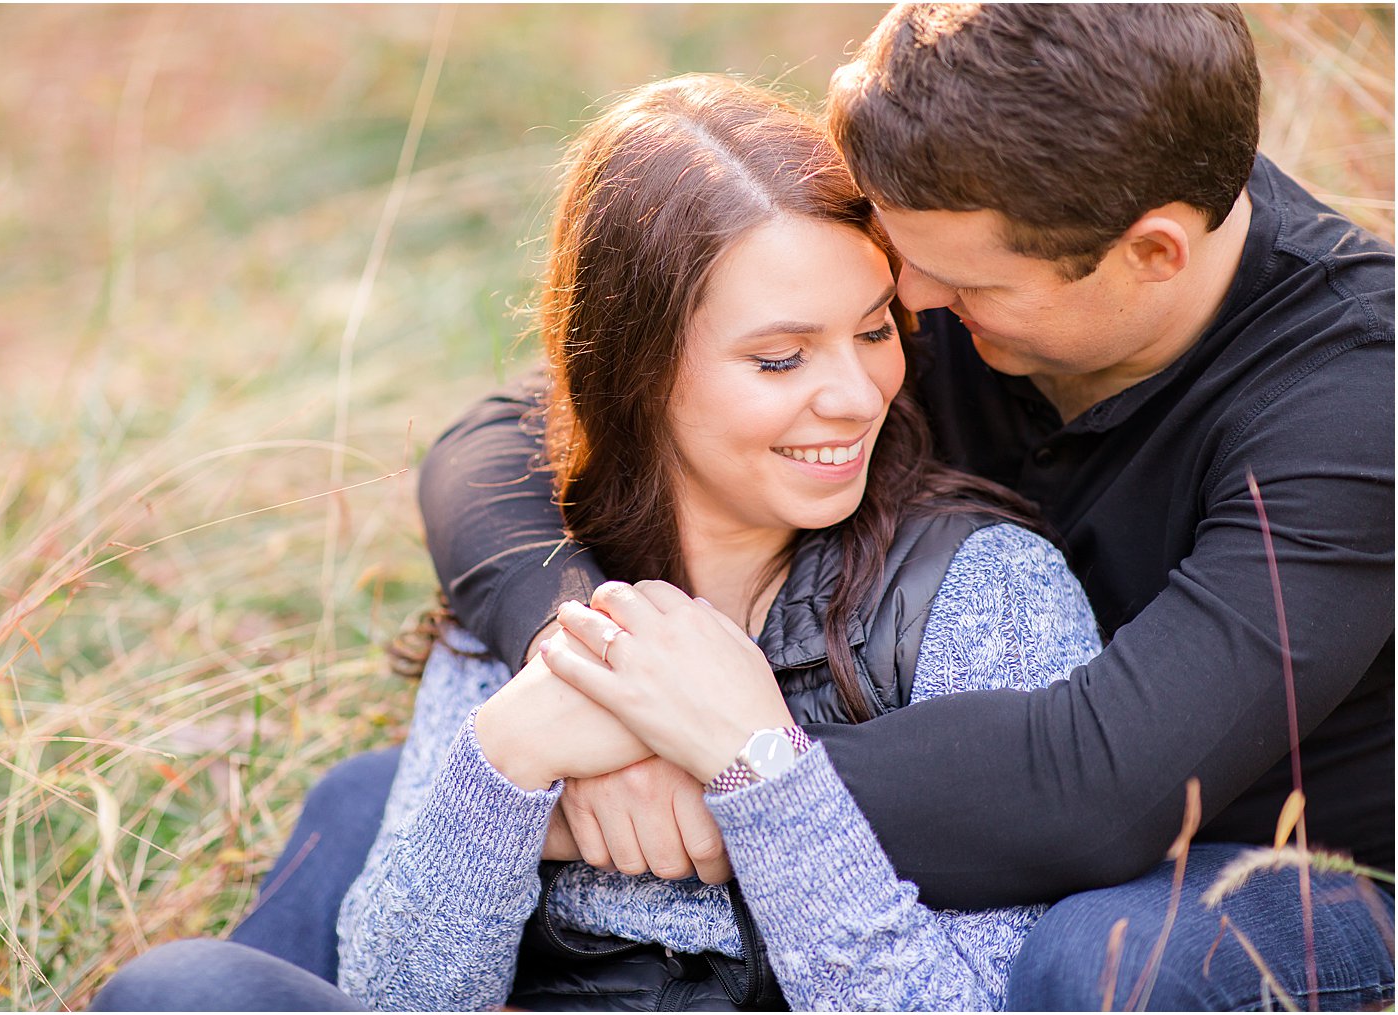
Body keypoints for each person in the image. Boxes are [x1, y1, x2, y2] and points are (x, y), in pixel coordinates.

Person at [413, 5, 1395, 1012]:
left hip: (1275, 864)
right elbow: (495, 442)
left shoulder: (1356, 397)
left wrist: (716, 776)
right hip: (943, 788)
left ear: (1150, 254)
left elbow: (1096, 791)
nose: (906, 297)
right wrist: (599, 666)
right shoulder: (973, 203)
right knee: (373, 807)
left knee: (1102, 960)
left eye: (962, 283)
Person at [92, 73, 1104, 1011]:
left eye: (875, 331)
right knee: (183, 988)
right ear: (635, 368)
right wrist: (508, 757)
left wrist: (757, 771)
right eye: (780, 356)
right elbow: (396, 996)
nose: (852, 395)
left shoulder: (986, 592)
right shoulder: (538, 573)